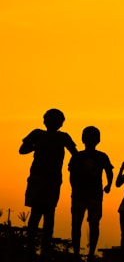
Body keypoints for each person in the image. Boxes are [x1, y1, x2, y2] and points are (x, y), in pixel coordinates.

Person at [19, 108, 78, 261]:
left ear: (61, 123)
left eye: (56, 120)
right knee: (36, 213)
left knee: (48, 214)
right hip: (38, 178)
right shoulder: (37, 134)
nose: (53, 123)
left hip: (52, 179)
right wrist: (35, 146)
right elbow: (22, 149)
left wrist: (72, 164)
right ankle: (31, 249)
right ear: (45, 121)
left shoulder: (63, 137)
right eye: (50, 119)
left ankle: (45, 249)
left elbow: (76, 154)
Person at [69, 126, 114, 262]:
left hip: (94, 195)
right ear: (83, 139)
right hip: (79, 195)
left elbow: (109, 171)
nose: (90, 139)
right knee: (77, 224)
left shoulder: (101, 156)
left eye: (93, 136)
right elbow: (72, 175)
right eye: (88, 136)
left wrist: (109, 185)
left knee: (93, 224)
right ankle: (77, 254)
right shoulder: (78, 156)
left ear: (98, 139)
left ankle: (90, 254)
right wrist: (75, 187)